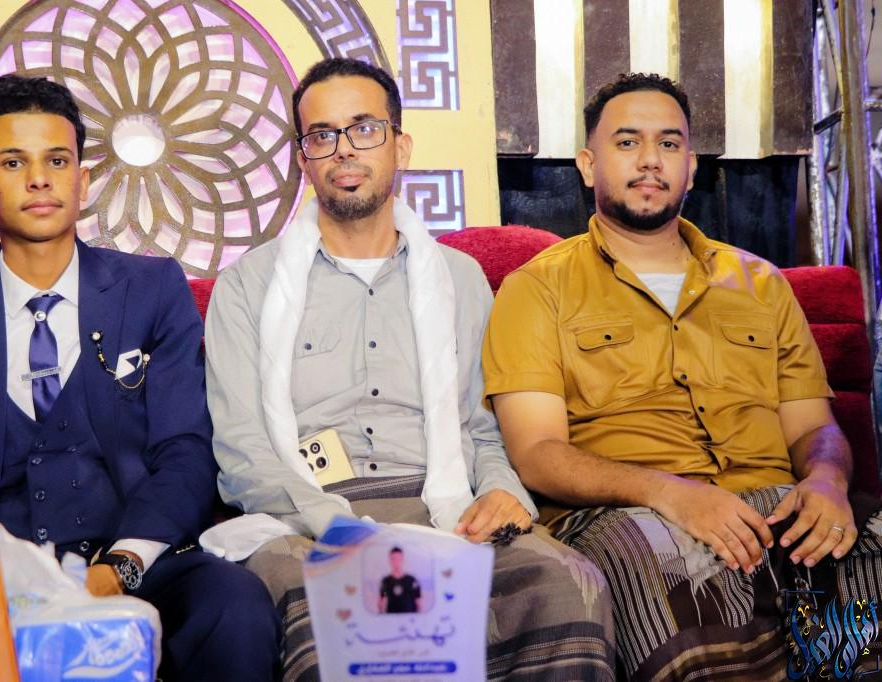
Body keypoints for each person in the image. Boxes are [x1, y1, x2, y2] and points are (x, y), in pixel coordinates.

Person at [205, 57, 614, 680]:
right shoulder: (246, 287)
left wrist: (501, 489)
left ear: (401, 146)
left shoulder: (460, 279)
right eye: (322, 135)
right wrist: (337, 527)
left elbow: (484, 427)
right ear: (302, 158)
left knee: (564, 583)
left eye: (364, 128)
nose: (344, 149)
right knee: (334, 609)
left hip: (446, 503)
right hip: (307, 516)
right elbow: (243, 452)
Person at [482, 72, 882, 680]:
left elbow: (813, 426)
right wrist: (671, 493)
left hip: (777, 503)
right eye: (627, 142)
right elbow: (537, 453)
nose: (650, 159)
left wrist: (828, 478)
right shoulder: (538, 288)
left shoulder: (762, 283)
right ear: (588, 165)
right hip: (632, 514)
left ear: (691, 169)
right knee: (669, 580)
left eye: (669, 143)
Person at [0, 74, 279, 681]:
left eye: (57, 160)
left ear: (83, 178)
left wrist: (118, 567)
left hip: (142, 562)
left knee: (234, 604)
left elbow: (184, 451)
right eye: (13, 162)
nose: (39, 179)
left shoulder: (152, 289)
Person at [378, 547, 420, 614]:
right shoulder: (385, 581)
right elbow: (381, 602)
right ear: (390, 561)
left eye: (399, 559)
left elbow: (419, 603)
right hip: (392, 617)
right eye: (394, 559)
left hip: (409, 617)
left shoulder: (412, 580)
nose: (396, 562)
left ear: (403, 560)